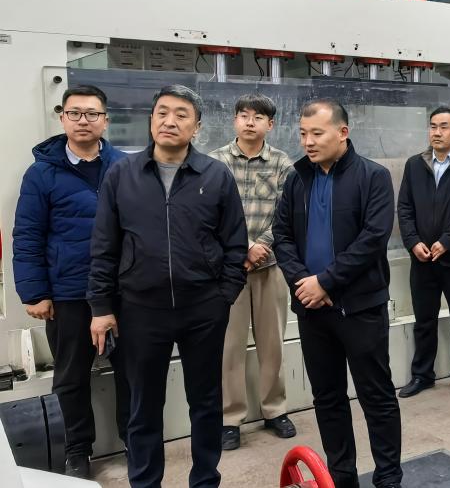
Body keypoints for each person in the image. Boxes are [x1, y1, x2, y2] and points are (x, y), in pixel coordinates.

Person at [88, 84, 248, 488]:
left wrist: (224, 296)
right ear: (151, 120)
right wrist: (101, 307)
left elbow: (235, 243)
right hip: (141, 310)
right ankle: (145, 483)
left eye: (181, 114)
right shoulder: (122, 174)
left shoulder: (215, 175)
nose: (169, 121)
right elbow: (104, 246)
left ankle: (205, 480)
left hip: (203, 308)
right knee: (143, 406)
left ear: (197, 126)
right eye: (162, 112)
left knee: (205, 402)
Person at [273, 99, 402, 488]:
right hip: (312, 310)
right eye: (303, 134)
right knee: (327, 398)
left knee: (376, 396)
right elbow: (282, 236)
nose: (308, 142)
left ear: (343, 133)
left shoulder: (373, 177)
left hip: (359, 308)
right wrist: (304, 283)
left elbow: (372, 239)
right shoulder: (297, 179)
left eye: (317, 133)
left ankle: (388, 477)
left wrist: (326, 282)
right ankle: (342, 477)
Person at [12, 84, 129, 479]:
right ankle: (78, 451)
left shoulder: (125, 166)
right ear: (62, 118)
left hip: (122, 289)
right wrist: (35, 292)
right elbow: (27, 235)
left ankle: (135, 438)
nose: (83, 121)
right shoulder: (42, 173)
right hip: (68, 292)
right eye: (75, 113)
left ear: (105, 120)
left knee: (132, 371)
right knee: (71, 377)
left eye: (92, 113)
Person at [210, 93, 296, 451]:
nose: (249, 122)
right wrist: (243, 248)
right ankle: (230, 418)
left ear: (270, 124)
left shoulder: (282, 163)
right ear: (234, 120)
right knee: (228, 347)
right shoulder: (214, 162)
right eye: (243, 115)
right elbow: (209, 212)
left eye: (258, 117)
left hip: (270, 266)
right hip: (227, 270)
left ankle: (275, 410)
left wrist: (262, 245)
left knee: (272, 344)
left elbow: (288, 213)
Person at [397, 106, 450, 399]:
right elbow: (404, 208)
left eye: (444, 126)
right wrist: (413, 242)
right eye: (433, 126)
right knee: (424, 320)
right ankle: (422, 375)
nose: (437, 132)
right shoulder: (415, 165)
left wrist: (447, 241)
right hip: (422, 259)